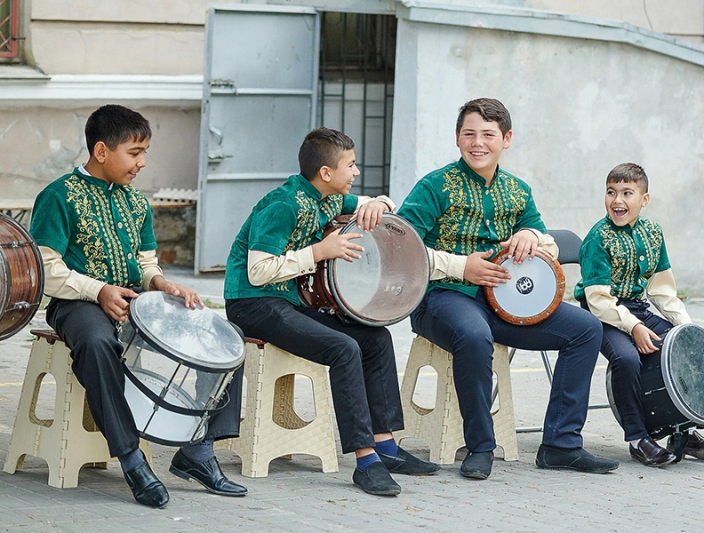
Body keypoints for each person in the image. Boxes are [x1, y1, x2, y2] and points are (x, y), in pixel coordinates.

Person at [29, 104, 247, 508]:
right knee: (96, 345)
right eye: (134, 153)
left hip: (135, 297)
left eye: (145, 152)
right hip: (77, 303)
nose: (142, 163)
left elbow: (145, 263)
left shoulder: (136, 202)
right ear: (101, 151)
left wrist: (162, 283)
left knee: (225, 338)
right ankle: (132, 459)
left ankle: (198, 451)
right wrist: (98, 291)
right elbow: (46, 268)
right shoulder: (57, 196)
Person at [396, 98, 619, 479]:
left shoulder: (518, 191)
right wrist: (461, 267)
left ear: (507, 139)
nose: (478, 143)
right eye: (469, 134)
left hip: (507, 304)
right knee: (473, 333)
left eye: (488, 134)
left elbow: (544, 237)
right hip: (441, 298)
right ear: (457, 138)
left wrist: (531, 235)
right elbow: (399, 245)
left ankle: (561, 446)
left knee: (587, 329)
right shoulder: (434, 186)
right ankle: (481, 446)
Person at [224, 127, 439, 496]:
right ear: (326, 173)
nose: (355, 173)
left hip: (288, 303)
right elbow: (258, 271)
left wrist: (379, 204)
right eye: (350, 166)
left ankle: (386, 445)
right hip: (252, 303)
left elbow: (380, 202)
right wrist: (320, 252)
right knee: (344, 348)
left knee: (375, 339)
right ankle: (365, 459)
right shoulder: (284, 204)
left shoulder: (329, 198)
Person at [574, 162, 704, 467]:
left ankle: (684, 432)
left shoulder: (653, 232)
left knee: (681, 348)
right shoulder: (598, 238)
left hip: (637, 307)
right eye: (611, 192)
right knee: (627, 358)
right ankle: (637, 438)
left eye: (627, 193)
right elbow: (598, 300)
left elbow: (661, 290)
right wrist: (633, 328)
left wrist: (687, 328)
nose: (617, 200)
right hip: (602, 313)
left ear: (644, 199)